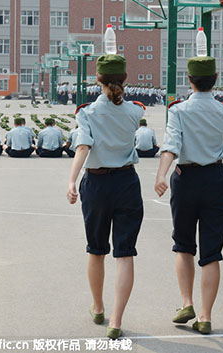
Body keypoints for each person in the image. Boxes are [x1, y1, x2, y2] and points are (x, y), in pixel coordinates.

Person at [66, 54, 145, 340]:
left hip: (97, 184)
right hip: (126, 182)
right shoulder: (136, 111)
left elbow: (83, 147)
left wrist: (72, 180)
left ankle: (98, 307)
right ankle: (116, 319)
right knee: (125, 254)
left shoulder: (86, 112)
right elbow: (127, 113)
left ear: (96, 80)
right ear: (124, 79)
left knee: (96, 249)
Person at [155, 55, 223, 335]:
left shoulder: (178, 111)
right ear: (215, 81)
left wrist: (161, 174)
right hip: (215, 178)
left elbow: (171, 145)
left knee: (184, 244)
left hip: (185, 179)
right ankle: (205, 315)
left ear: (189, 81)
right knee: (211, 252)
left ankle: (186, 302)